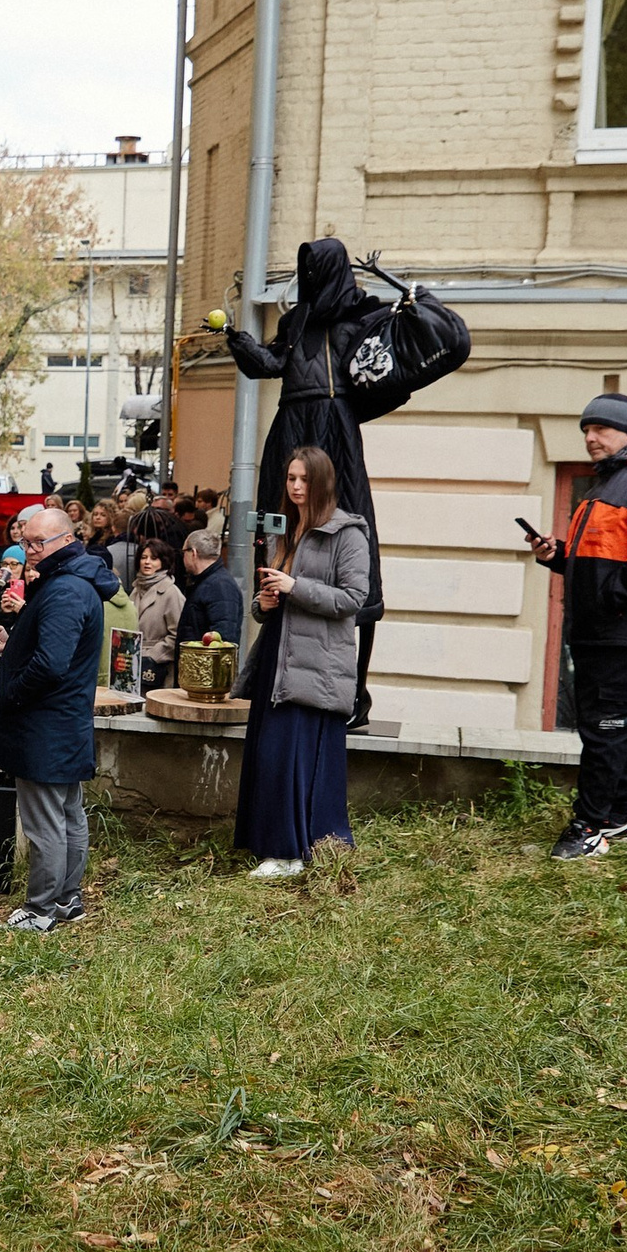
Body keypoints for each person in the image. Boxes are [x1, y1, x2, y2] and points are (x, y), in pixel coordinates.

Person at [224, 238, 471, 729]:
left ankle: (357, 691)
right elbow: (271, 366)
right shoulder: (294, 322)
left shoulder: (362, 314)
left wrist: (401, 288)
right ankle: (273, 672)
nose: (309, 277)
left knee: (350, 538)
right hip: (291, 427)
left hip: (335, 432)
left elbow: (407, 342)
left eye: (316, 269)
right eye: (306, 269)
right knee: (279, 540)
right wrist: (237, 339)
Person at [531, 393, 627, 861]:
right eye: (585, 431)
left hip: (624, 634)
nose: (590, 438)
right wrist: (557, 555)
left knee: (606, 728)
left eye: (599, 429)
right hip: (601, 632)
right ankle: (619, 817)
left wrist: (606, 602)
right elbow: (599, 561)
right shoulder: (610, 482)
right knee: (611, 728)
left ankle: (588, 828)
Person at [232, 448, 372, 878]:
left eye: (304, 480)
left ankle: (291, 853)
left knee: (293, 758)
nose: (295, 486)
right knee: (270, 756)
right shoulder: (285, 531)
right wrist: (266, 601)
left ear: (323, 482)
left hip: (316, 664)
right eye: (290, 477)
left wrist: (295, 586)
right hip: (279, 654)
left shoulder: (347, 533)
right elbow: (267, 606)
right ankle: (270, 845)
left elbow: (353, 599)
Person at [0, 507, 120, 931]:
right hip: (64, 720)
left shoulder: (65, 590)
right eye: (26, 542)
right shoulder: (74, 582)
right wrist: (11, 645)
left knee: (46, 822)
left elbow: (50, 664)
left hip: (45, 723)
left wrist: (13, 689)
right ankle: (67, 901)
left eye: (37, 543)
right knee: (67, 813)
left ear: (65, 540)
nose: (29, 551)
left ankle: (42, 909)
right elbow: (48, 649)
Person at [175, 526, 244, 651]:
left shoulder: (219, 585)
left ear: (193, 553)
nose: (182, 557)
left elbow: (223, 640)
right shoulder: (209, 582)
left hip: (204, 667)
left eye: (184, 552)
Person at [130, 538, 185, 688]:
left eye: (154, 558)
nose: (147, 562)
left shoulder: (171, 592)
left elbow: (177, 635)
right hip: (133, 663)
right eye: (143, 557)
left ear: (163, 562)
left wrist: (153, 656)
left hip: (159, 668)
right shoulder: (136, 589)